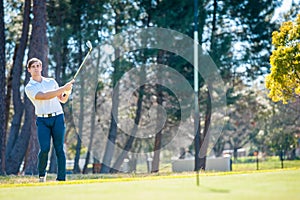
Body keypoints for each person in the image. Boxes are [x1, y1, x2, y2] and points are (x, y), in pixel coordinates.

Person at [25, 57, 74, 182]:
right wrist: (63, 88)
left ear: (41, 68)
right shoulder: (29, 87)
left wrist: (67, 92)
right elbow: (44, 96)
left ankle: (61, 178)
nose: (36, 68)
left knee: (59, 148)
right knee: (45, 148)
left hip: (58, 117)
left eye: (38, 66)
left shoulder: (51, 82)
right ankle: (42, 175)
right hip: (42, 121)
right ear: (29, 69)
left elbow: (62, 99)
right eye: (33, 66)